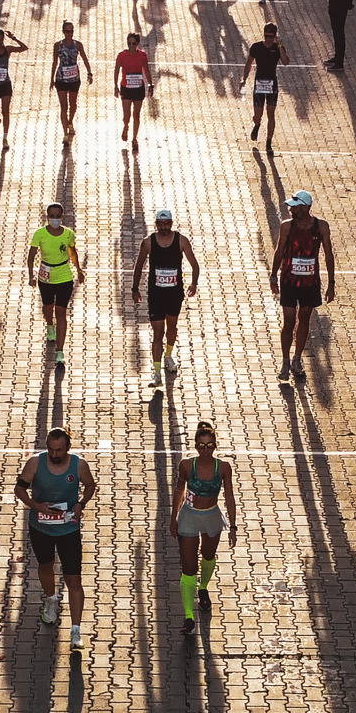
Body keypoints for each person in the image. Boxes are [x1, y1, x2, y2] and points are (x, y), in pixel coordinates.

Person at [14, 428, 95, 649]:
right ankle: (50, 599)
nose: (54, 454)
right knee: (45, 566)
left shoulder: (79, 465)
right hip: (41, 529)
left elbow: (90, 485)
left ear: (68, 447)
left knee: (74, 580)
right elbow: (19, 489)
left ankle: (76, 630)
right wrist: (36, 506)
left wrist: (80, 504)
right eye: (50, 449)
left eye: (59, 450)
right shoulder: (34, 463)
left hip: (68, 530)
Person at [170, 422, 237, 636]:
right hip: (189, 517)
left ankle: (203, 587)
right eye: (201, 446)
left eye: (209, 446)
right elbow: (179, 491)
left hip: (211, 517)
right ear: (196, 446)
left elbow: (229, 497)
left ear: (215, 445)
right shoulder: (186, 466)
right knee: (188, 568)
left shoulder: (223, 468)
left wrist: (233, 526)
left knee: (208, 555)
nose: (205, 450)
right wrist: (173, 518)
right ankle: (189, 616)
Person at [269, 188, 335, 380]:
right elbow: (279, 251)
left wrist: (331, 283)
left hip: (310, 282)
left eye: (295, 207)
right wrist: (273, 276)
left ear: (306, 207)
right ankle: (285, 361)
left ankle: (297, 359)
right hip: (289, 280)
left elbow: (328, 254)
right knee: (289, 321)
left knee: (304, 319)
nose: (291, 210)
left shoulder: (321, 226)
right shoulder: (287, 226)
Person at [132, 209, 200, 387]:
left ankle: (168, 355)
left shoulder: (181, 240)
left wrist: (194, 284)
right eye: (160, 224)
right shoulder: (148, 242)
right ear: (156, 224)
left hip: (174, 294)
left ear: (171, 223)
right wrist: (135, 288)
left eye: (166, 224)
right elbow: (139, 266)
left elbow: (195, 265)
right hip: (156, 295)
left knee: (172, 329)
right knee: (157, 334)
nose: (163, 227)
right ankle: (156, 373)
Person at [28, 202, 84, 368]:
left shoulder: (68, 234)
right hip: (45, 276)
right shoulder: (39, 234)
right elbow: (31, 255)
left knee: (61, 312)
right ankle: (49, 325)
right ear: (47, 217)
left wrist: (79, 270)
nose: (55, 219)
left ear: (62, 216)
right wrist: (31, 275)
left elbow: (72, 252)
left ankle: (59, 351)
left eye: (57, 216)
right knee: (48, 307)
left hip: (64, 276)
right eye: (52, 216)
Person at [242, 21, 290, 153]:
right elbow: (248, 63)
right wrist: (244, 79)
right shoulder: (256, 47)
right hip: (259, 83)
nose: (268, 39)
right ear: (263, 34)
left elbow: (285, 62)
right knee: (257, 115)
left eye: (271, 37)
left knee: (271, 114)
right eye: (266, 36)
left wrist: (280, 46)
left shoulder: (278, 47)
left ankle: (269, 142)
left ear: (275, 36)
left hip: (272, 84)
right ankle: (257, 124)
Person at [50, 20, 92, 143]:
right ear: (63, 32)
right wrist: (51, 79)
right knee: (64, 107)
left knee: (73, 105)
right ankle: (65, 134)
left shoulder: (78, 45)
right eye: (67, 31)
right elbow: (54, 62)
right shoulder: (57, 45)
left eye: (72, 31)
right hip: (61, 79)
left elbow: (84, 58)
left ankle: (70, 121)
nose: (70, 33)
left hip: (74, 79)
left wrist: (89, 73)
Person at [114, 29, 154, 148]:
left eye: (133, 43)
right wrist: (115, 86)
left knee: (136, 114)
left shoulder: (142, 56)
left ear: (137, 44)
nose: (131, 46)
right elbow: (116, 70)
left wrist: (150, 85)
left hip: (138, 89)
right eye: (129, 43)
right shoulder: (121, 56)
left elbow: (146, 70)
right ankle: (126, 126)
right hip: (126, 88)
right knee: (126, 116)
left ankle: (134, 139)